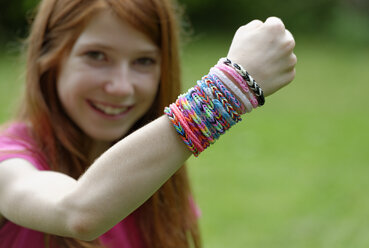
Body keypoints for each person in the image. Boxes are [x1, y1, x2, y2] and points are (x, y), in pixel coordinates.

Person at [0, 0, 297, 247]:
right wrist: (227, 91)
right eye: (96, 56)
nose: (121, 87)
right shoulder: (9, 162)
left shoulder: (153, 174)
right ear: (48, 57)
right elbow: (78, 212)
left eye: (143, 61)